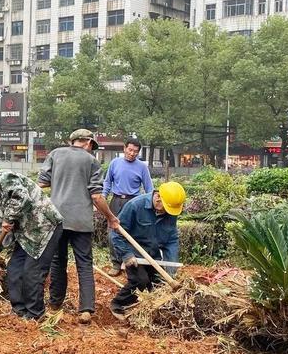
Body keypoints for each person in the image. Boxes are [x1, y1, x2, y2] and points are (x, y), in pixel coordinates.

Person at [38, 129, 120, 324]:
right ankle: (85, 309)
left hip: (56, 219)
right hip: (81, 221)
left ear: (71, 141)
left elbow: (40, 184)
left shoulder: (55, 155)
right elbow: (96, 196)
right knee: (84, 263)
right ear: (89, 143)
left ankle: (55, 303)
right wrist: (110, 217)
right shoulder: (91, 161)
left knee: (58, 261)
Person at [0, 163, 63, 320]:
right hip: (25, 236)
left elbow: (20, 195)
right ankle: (20, 311)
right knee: (14, 270)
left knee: (32, 271)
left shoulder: (2, 177)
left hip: (44, 228)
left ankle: (36, 314)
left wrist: (8, 217)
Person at [109, 182, 186, 320]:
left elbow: (171, 240)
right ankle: (118, 304)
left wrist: (171, 269)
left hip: (152, 254)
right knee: (140, 280)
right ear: (157, 197)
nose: (168, 212)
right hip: (134, 253)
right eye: (166, 208)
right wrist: (126, 255)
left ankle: (157, 313)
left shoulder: (170, 212)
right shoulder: (135, 206)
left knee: (161, 284)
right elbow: (116, 233)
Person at [102, 138, 154, 276]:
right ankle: (116, 263)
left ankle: (130, 263)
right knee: (113, 233)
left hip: (133, 202)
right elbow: (107, 182)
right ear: (124, 148)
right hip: (117, 200)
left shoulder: (142, 167)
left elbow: (149, 188)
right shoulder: (115, 163)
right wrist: (103, 198)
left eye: (135, 151)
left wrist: (150, 206)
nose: (132, 153)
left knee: (132, 233)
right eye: (130, 150)